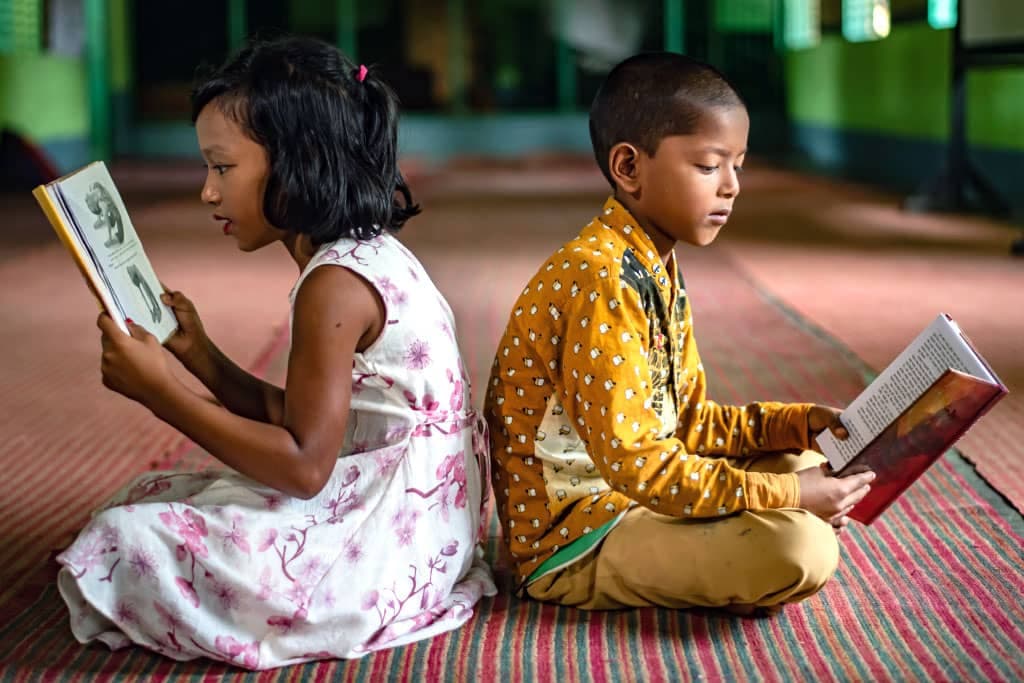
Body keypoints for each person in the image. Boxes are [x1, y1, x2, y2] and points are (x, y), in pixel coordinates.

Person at [57, 36, 495, 669]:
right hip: (424, 531)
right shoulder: (366, 254)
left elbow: (301, 466)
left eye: (223, 168)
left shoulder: (333, 284)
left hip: (379, 558)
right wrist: (198, 354)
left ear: (297, 163)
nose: (208, 192)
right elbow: (304, 423)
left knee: (123, 540)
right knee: (148, 493)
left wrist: (162, 394)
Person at [483, 52, 875, 615]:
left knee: (801, 464)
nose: (733, 187)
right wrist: (788, 498)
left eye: (738, 165)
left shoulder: (653, 265)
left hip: (639, 494)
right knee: (801, 547)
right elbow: (639, 465)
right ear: (628, 167)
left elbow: (686, 425)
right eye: (709, 165)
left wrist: (795, 424)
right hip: (579, 537)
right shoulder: (602, 277)